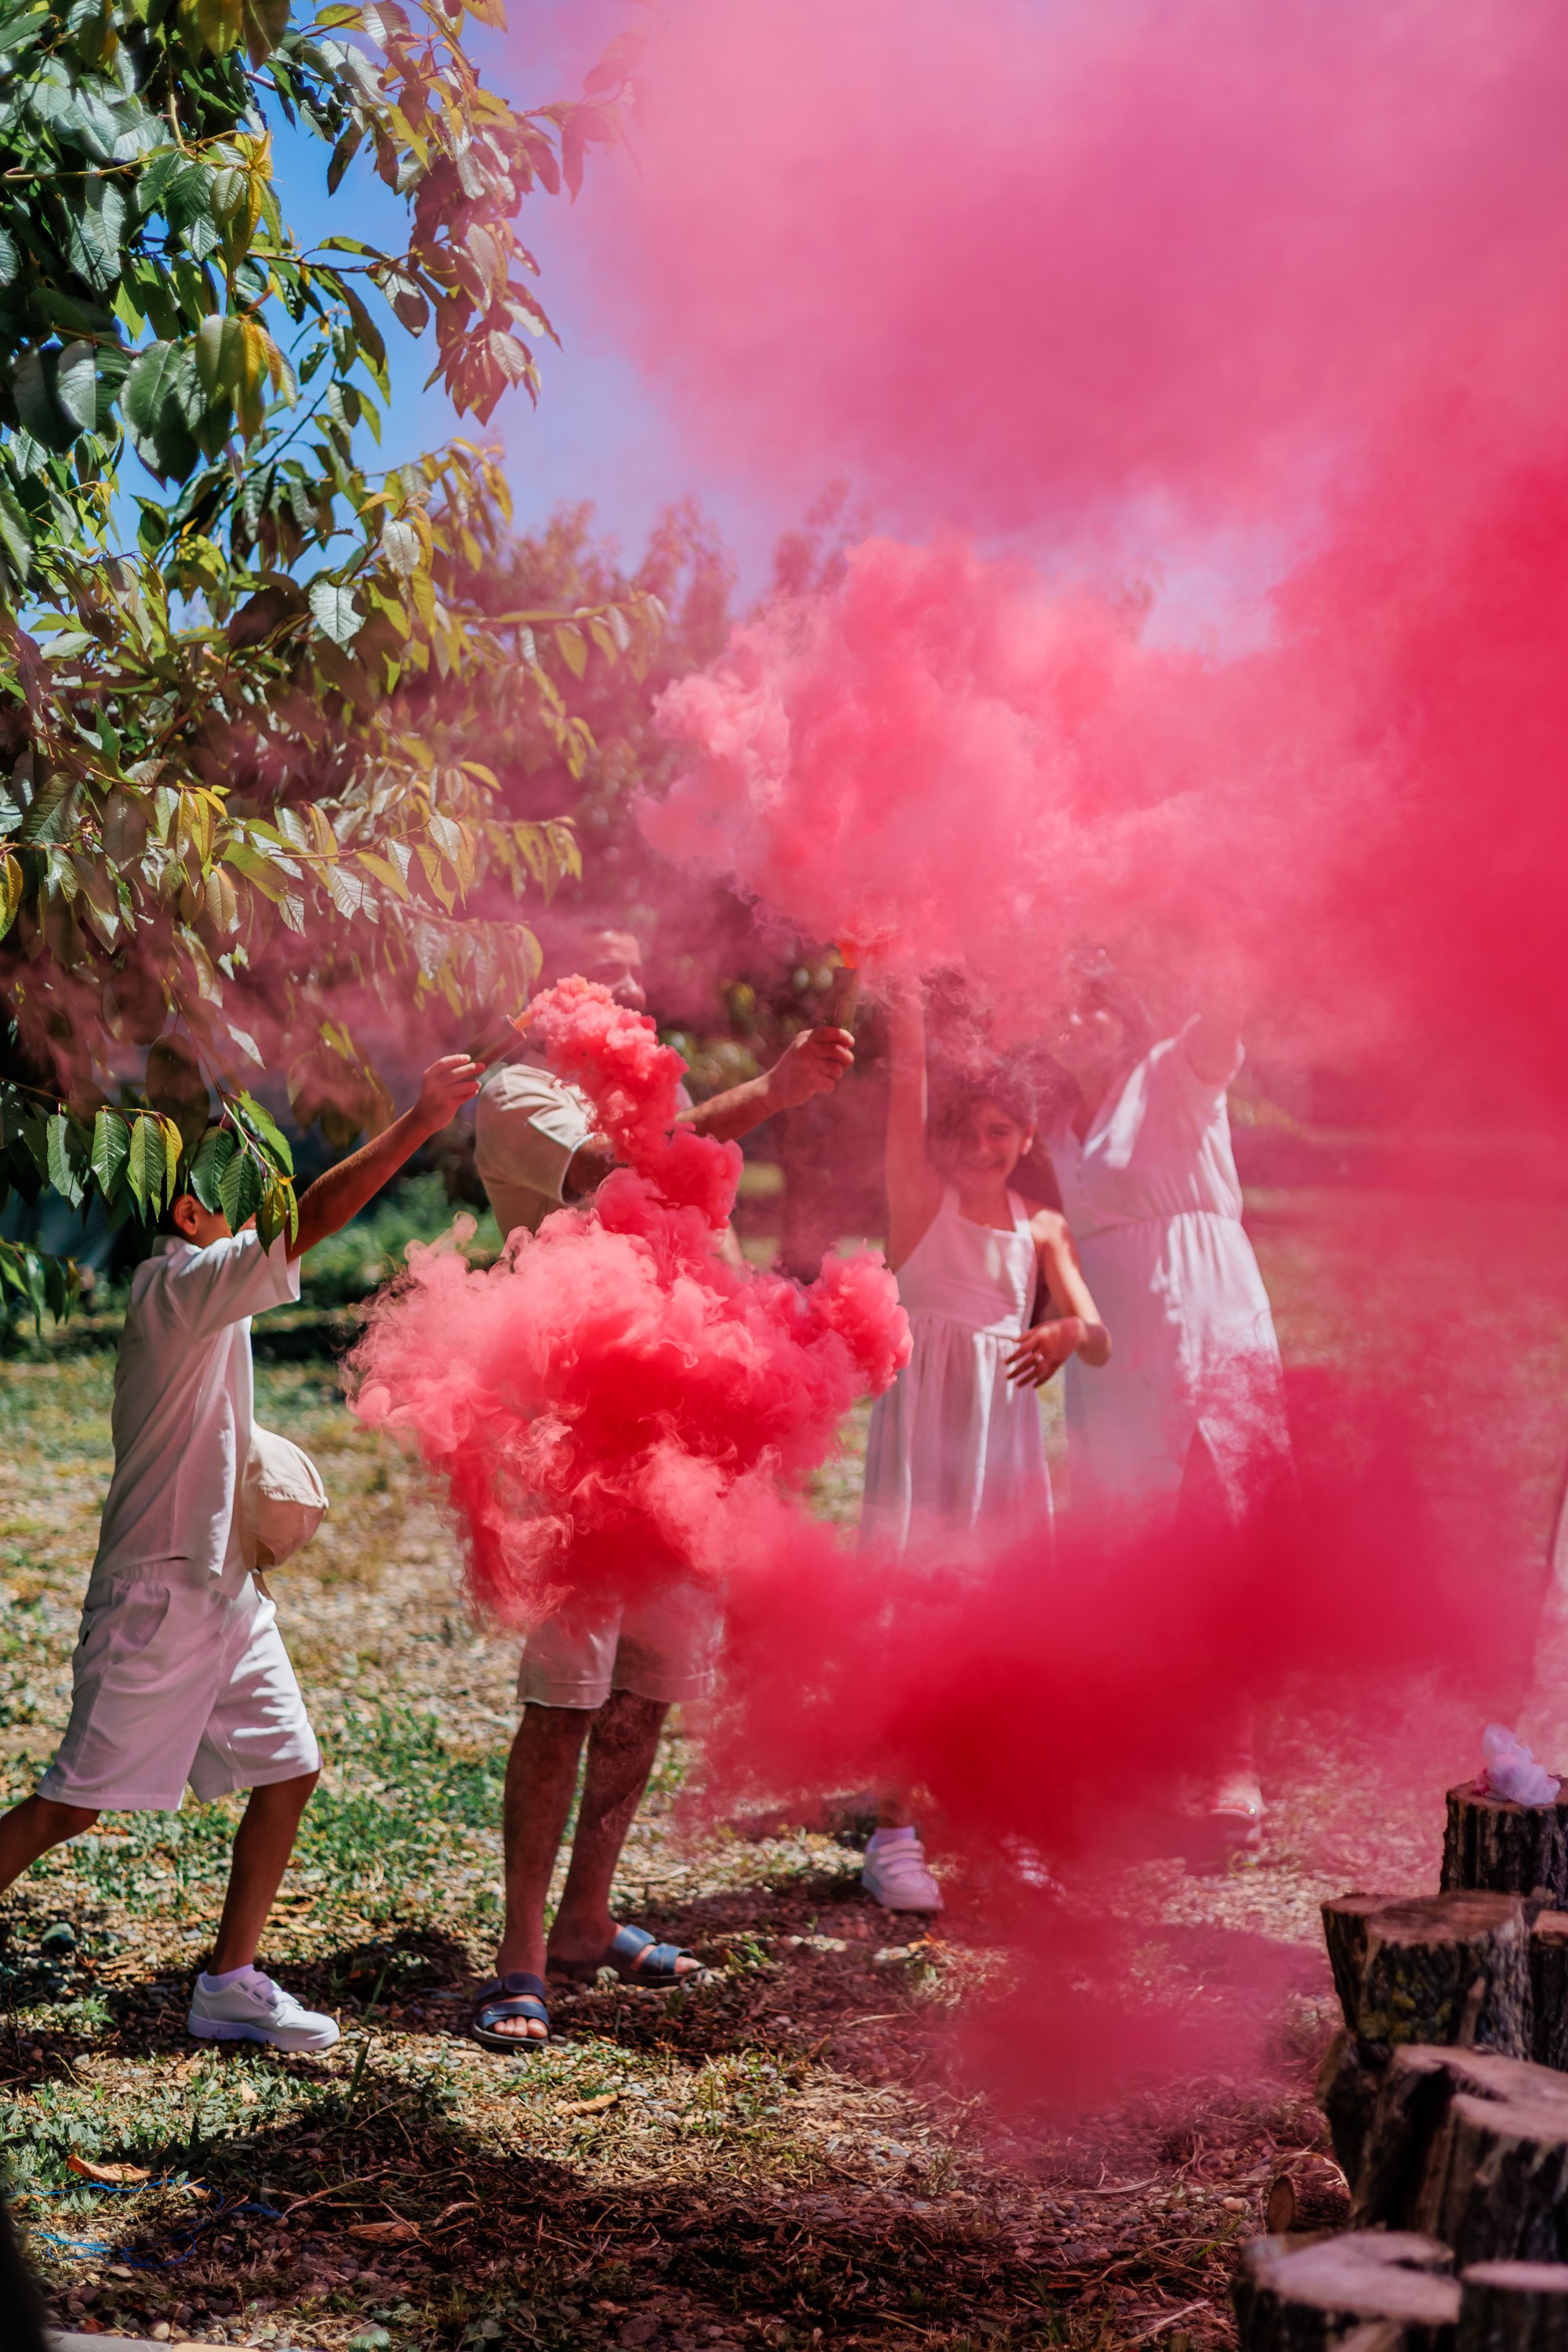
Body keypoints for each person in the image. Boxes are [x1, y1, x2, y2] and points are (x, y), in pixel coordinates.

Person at [0, 1052, 484, 2050]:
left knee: (291, 1767)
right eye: (230, 1186)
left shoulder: (204, 1291)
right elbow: (311, 1216)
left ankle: (229, 1983)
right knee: (69, 1809)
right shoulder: (177, 1291)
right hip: (157, 1596)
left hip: (224, 1591)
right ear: (188, 1217)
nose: (254, 1203)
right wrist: (415, 1121)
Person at [467, 912, 855, 2049]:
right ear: (543, 999)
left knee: (643, 1695)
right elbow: (633, 1176)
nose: (631, 997)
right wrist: (774, 1094)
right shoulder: (523, 1095)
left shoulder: (644, 1093)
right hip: (574, 1439)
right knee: (566, 1698)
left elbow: (701, 1238)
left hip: (672, 1441)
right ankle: (521, 1958)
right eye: (604, 978)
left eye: (640, 979)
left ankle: (591, 1920)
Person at [858, 982, 1111, 1911]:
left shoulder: (1042, 1227)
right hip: (930, 1436)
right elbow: (907, 1094)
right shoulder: (919, 1204)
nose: (981, 1147)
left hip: (1003, 1441)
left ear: (1026, 1135)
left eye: (1002, 1129)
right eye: (965, 1130)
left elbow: (1098, 1332)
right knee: (917, 1618)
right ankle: (892, 1835)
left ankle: (1004, 1825)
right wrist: (907, 995)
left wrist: (1062, 1335)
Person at [1042, 955, 1290, 1851]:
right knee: (1126, 1542)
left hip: (1200, 1318)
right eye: (1060, 1015)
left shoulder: (1172, 1072)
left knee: (1208, 1528)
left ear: (1125, 1013)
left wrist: (1223, 924)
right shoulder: (1051, 1121)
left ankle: (1233, 1764)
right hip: (1111, 1344)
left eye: (1091, 1009)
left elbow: (1223, 1013)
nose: (1075, 1027)